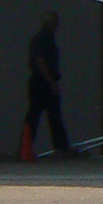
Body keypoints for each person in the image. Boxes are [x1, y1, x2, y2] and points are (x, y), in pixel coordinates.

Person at [24, 10, 76, 158]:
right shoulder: (43, 39)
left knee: (51, 115)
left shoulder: (45, 38)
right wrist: (51, 81)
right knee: (40, 115)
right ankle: (28, 148)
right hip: (42, 82)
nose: (57, 25)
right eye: (55, 22)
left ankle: (60, 148)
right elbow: (40, 61)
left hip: (44, 80)